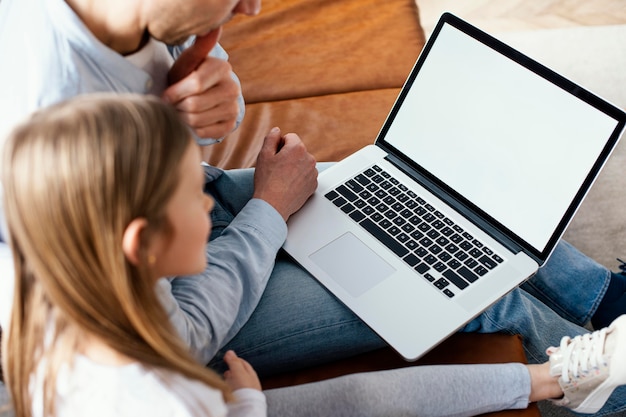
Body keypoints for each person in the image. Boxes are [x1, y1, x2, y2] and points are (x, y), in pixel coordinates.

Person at [1, 0, 626, 411]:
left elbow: (200, 86)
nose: (250, 6)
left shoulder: (138, 17)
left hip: (164, 230)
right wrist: (266, 211)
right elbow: (176, 337)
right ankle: (608, 390)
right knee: (481, 286)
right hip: (172, 316)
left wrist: (211, 102)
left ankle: (608, 298)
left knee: (443, 194)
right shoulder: (43, 97)